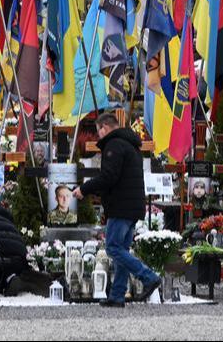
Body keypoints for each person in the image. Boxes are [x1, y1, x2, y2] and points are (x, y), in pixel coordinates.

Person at [75, 113, 160, 307]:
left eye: (98, 132)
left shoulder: (113, 145)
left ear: (105, 128)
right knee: (122, 250)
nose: (98, 136)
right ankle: (117, 295)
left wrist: (84, 189)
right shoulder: (130, 144)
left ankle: (149, 277)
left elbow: (108, 177)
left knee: (113, 248)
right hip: (132, 206)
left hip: (121, 206)